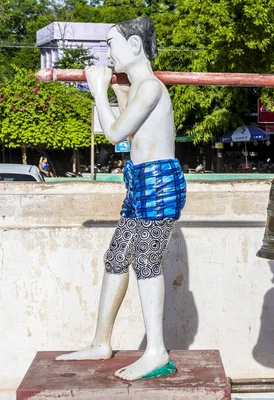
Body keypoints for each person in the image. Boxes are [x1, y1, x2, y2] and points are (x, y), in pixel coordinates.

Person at [55, 16, 187, 382]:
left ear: (134, 47)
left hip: (158, 184)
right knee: (117, 257)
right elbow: (123, 120)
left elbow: (115, 134)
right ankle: (101, 341)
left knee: (146, 261)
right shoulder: (139, 88)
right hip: (139, 182)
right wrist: (112, 90)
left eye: (111, 44)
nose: (107, 53)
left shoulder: (151, 88)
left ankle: (157, 351)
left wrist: (98, 89)